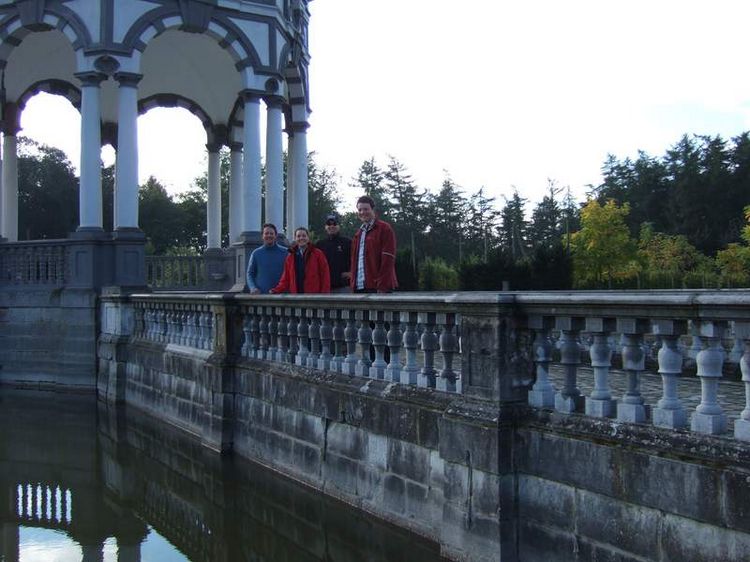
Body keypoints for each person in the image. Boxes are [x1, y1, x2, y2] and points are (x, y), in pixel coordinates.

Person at [350, 195, 398, 293]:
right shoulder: (358, 234)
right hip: (359, 287)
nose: (362, 212)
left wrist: (382, 285)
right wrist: (353, 284)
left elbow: (388, 259)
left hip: (378, 288)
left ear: (373, 210)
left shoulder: (384, 229)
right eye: (360, 210)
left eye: (366, 209)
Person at [270, 227, 331, 294]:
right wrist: (276, 290)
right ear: (295, 239)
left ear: (308, 238)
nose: (301, 238)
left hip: (314, 297)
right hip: (297, 298)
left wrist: (324, 295)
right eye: (298, 236)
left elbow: (325, 276)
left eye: (304, 236)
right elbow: (285, 279)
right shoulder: (290, 257)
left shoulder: (318, 254)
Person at [246, 223, 287, 294]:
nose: (269, 235)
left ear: (275, 235)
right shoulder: (256, 253)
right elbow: (250, 273)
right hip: (262, 297)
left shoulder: (286, 252)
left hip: (282, 296)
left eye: (271, 233)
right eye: (266, 233)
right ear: (262, 236)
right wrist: (252, 287)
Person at [317, 213, 352, 293]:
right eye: (329, 224)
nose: (331, 226)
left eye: (334, 224)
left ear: (339, 226)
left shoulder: (348, 242)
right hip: (325, 287)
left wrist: (351, 272)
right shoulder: (320, 244)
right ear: (325, 227)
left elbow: (356, 260)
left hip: (344, 287)